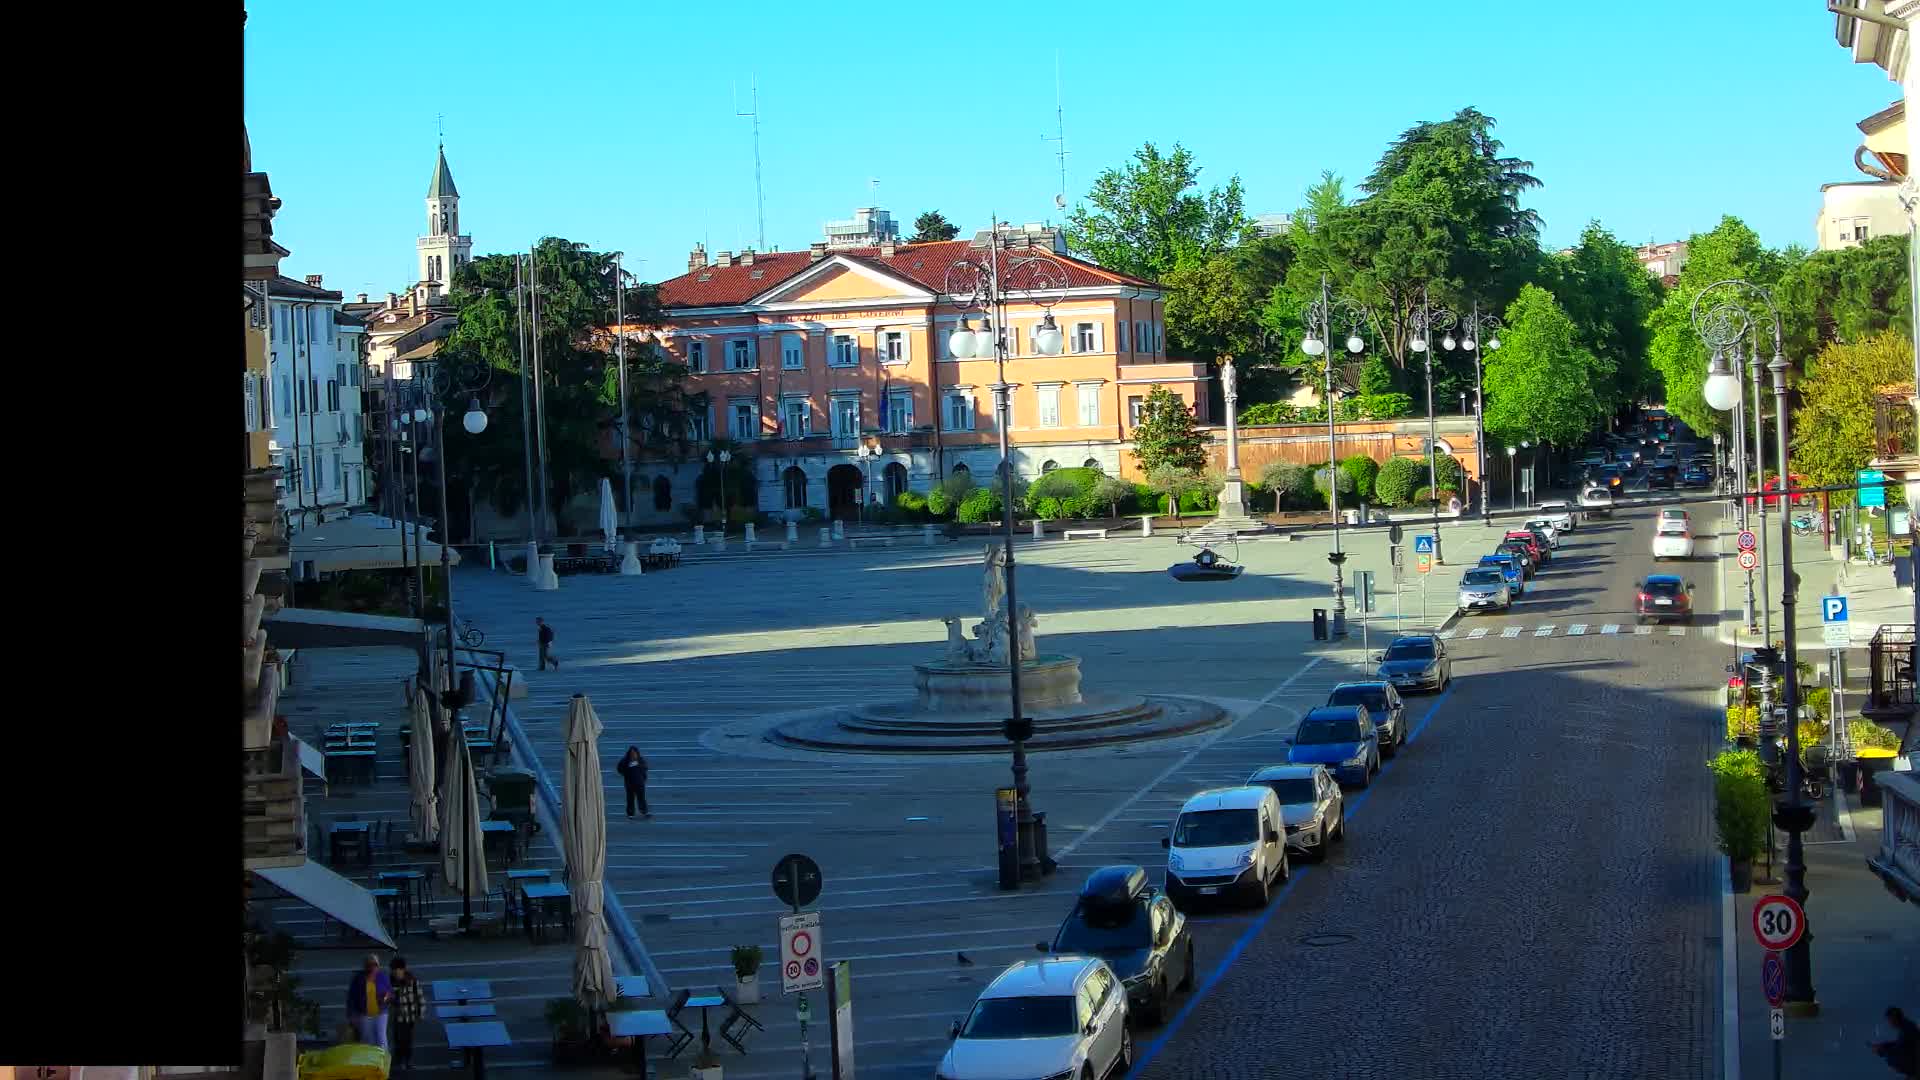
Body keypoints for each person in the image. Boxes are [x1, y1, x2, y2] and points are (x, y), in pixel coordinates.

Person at [344, 953, 391, 1050]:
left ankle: (384, 1057)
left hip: (381, 1013)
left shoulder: (382, 977)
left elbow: (390, 992)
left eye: (375, 964)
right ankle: (370, 1058)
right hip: (364, 1014)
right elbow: (351, 997)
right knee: (368, 1040)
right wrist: (350, 1014)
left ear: (378, 966)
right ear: (365, 966)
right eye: (370, 964)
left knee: (381, 1038)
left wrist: (386, 997)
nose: (372, 967)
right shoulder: (358, 979)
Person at [388, 956, 424, 1071]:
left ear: (402, 969)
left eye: (396, 970)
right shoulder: (390, 982)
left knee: (408, 1040)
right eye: (393, 970)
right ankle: (399, 1061)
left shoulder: (412, 981)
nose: (394, 973)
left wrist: (420, 1013)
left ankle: (407, 1061)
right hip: (397, 1016)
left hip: (410, 1016)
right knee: (398, 1039)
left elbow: (419, 997)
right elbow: (386, 998)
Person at [1872, 1006, 1920, 1077]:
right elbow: (1902, 1044)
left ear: (1894, 1018)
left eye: (1889, 1020)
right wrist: (1885, 1046)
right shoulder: (1908, 1027)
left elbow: (1901, 1052)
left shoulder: (1907, 1029)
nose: (1889, 1023)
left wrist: (1882, 1051)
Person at [617, 746, 650, 819]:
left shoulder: (640, 760)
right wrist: (626, 771)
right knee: (630, 799)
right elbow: (619, 769)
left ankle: (644, 811)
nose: (633, 755)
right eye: (632, 753)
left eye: (634, 753)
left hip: (640, 783)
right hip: (629, 784)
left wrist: (643, 778)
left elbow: (645, 768)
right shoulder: (625, 761)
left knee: (641, 798)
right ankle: (630, 813)